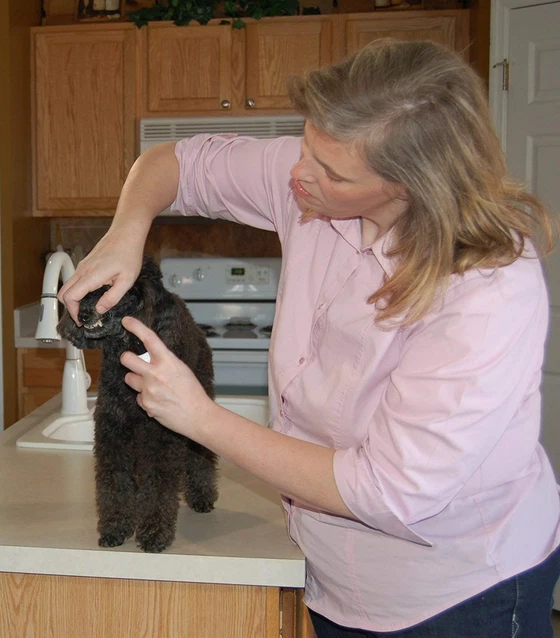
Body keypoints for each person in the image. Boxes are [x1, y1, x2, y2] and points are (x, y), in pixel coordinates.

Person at [57, 38, 560, 637]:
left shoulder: (487, 286)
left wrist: (199, 417)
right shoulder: (311, 180)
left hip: (456, 590)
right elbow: (171, 164)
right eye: (307, 144)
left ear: (410, 186)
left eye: (333, 173)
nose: (297, 174)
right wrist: (126, 231)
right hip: (329, 575)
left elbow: (389, 493)